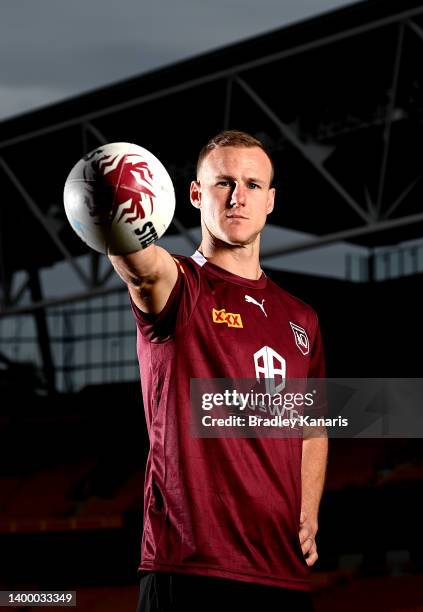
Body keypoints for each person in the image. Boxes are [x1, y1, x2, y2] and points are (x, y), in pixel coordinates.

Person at [108, 130, 328, 611]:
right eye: (223, 182)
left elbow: (312, 427)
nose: (237, 197)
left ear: (271, 201)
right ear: (194, 194)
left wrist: (307, 509)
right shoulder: (182, 284)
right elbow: (142, 267)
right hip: (190, 569)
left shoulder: (301, 318)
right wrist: (113, 203)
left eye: (252, 184)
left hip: (283, 576)